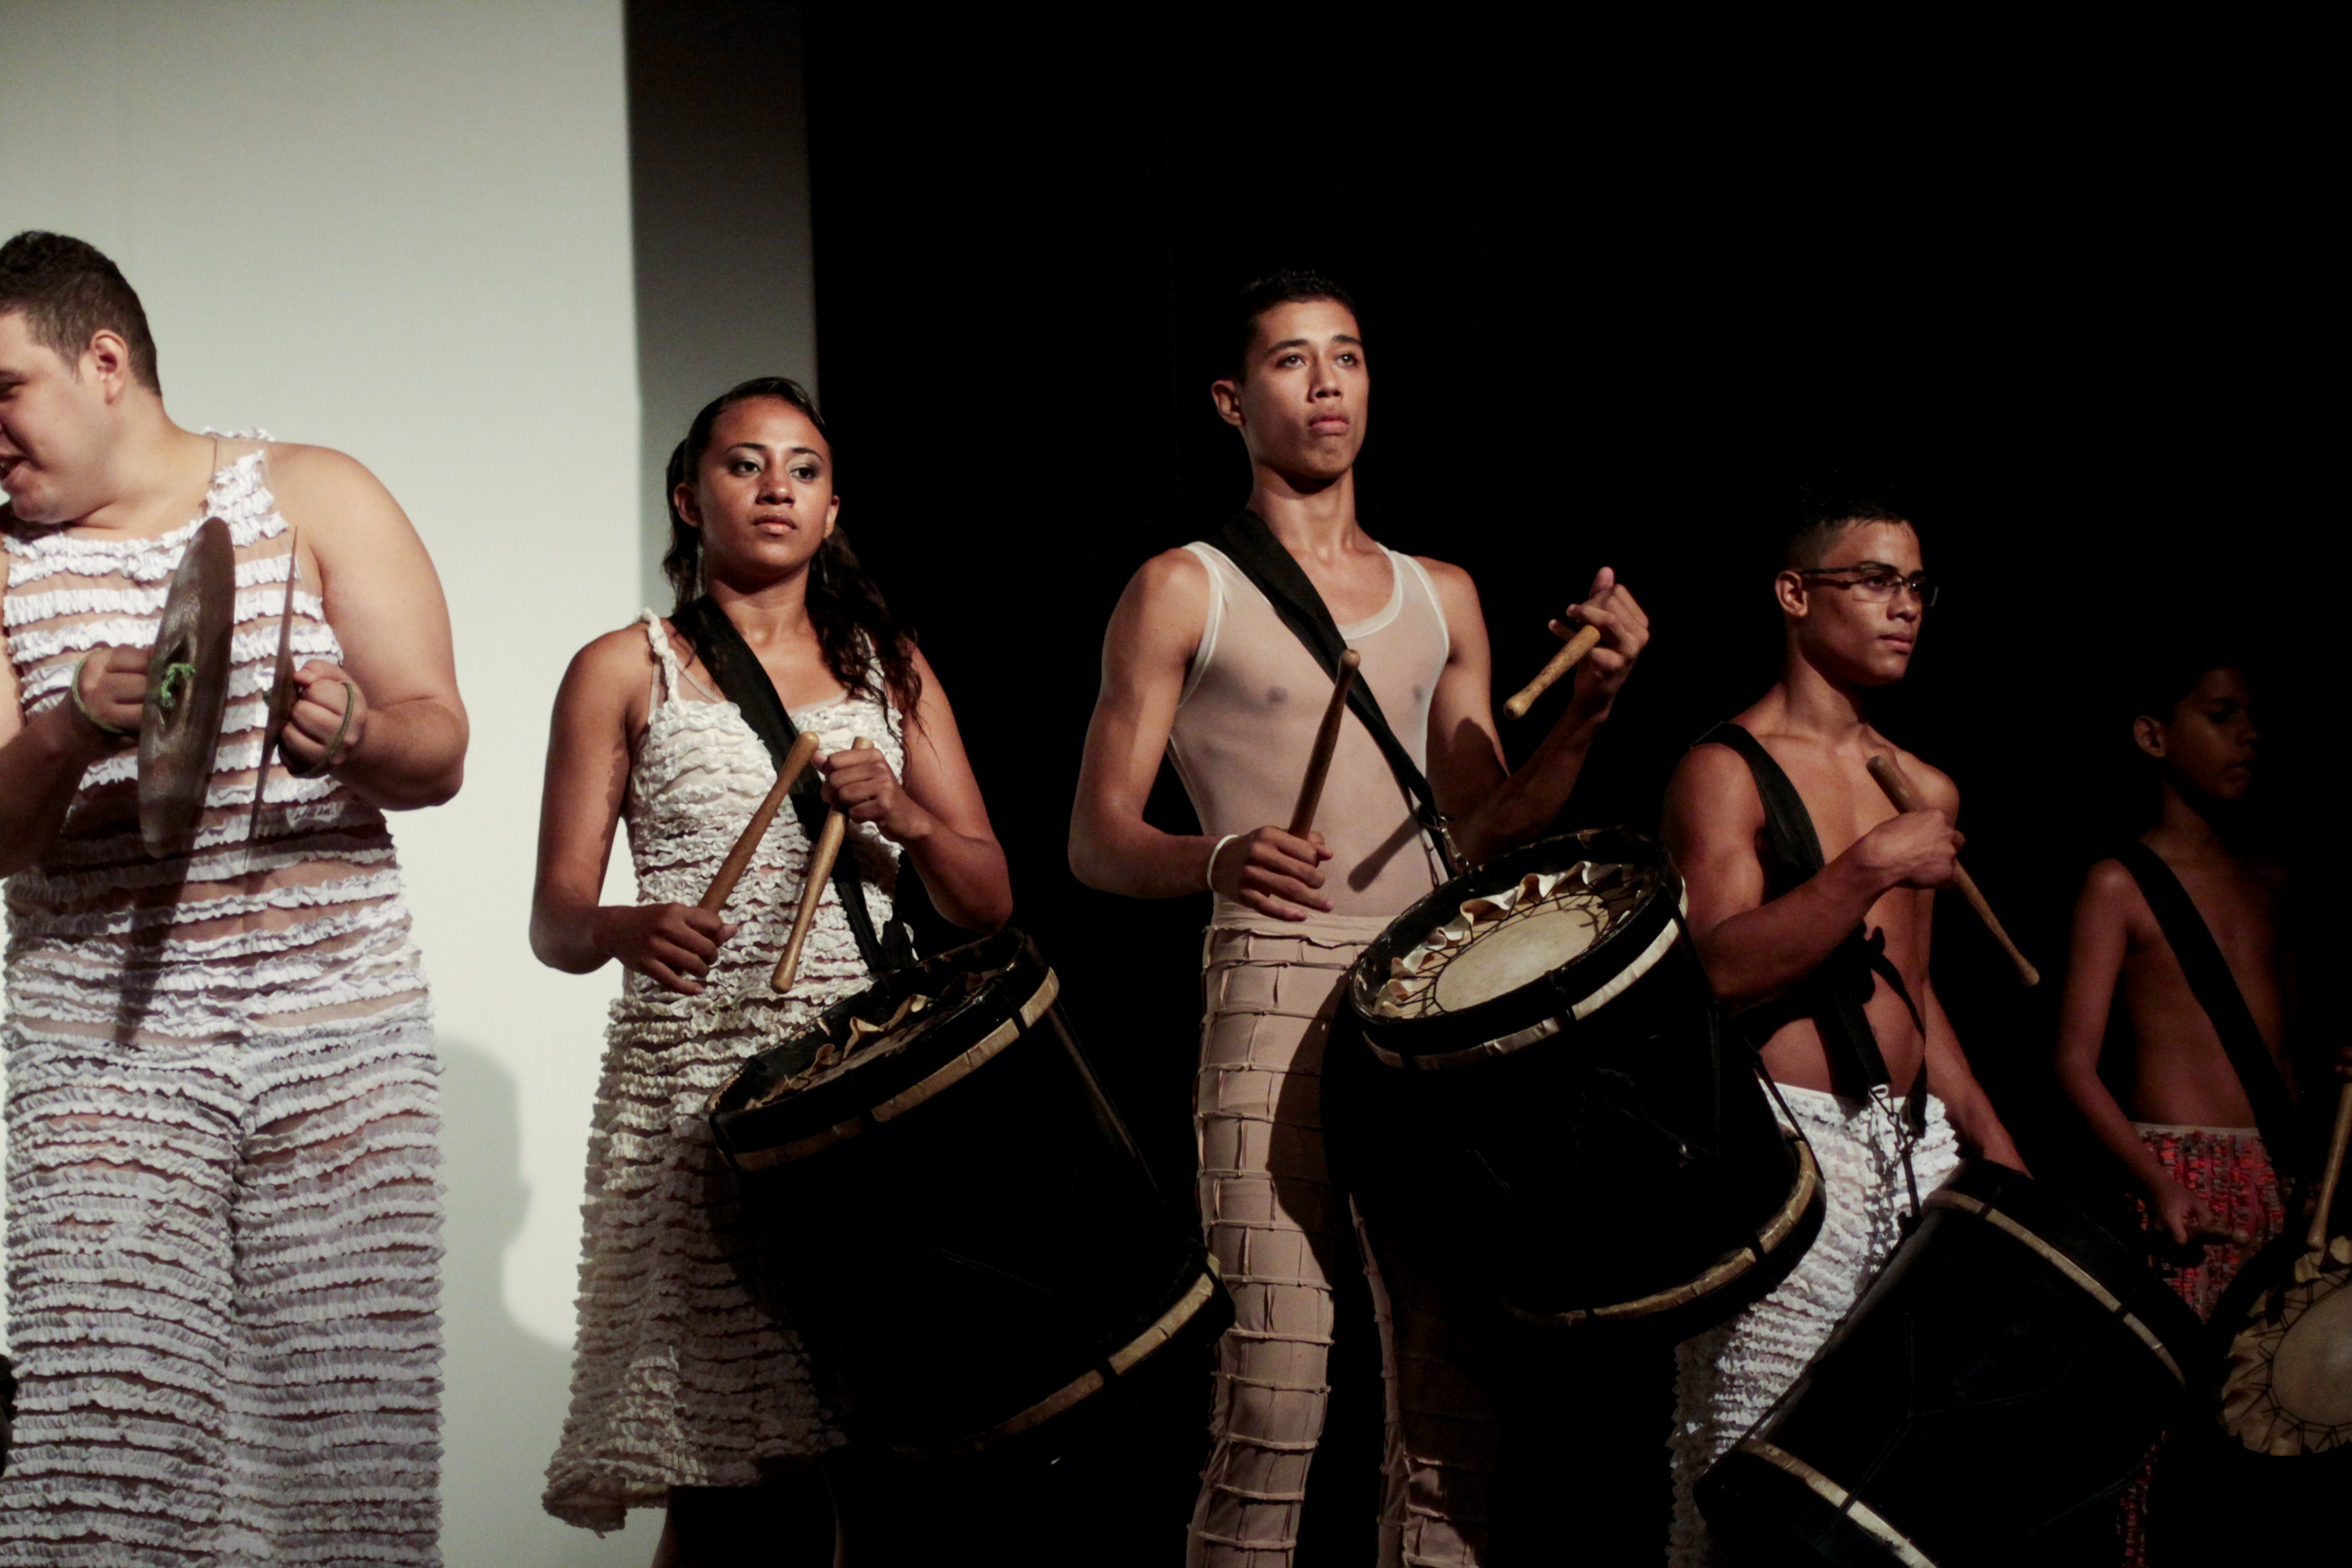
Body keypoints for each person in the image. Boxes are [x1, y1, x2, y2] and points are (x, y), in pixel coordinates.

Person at [1068, 271, 1647, 1567]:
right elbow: (1097, 841)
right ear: (1233, 401)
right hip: (1272, 973)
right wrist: (1219, 857)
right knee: (1274, 1394)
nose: (1328, 383)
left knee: (1455, 1401)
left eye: (1349, 355)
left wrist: (1591, 710)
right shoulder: (1185, 586)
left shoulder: (1444, 592)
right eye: (1292, 360)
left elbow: (1487, 828)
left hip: (1427, 988)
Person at [0, 231, 466, 1563]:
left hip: (343, 1048)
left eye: (2, 390)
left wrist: (356, 733)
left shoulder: (314, 495)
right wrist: (65, 731)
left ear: (104, 362)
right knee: (108, 1447)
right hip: (102, 1055)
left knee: (348, 1444)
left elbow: (439, 744)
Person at [532, 376, 1011, 1564]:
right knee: (724, 1480)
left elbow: (988, 897)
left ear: (834, 507)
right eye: (744, 465)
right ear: (688, 497)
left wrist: (905, 813)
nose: (776, 489)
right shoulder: (623, 667)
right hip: (697, 1094)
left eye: (803, 469)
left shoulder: (891, 669)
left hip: (862, 1086)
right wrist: (627, 928)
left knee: (879, 1461)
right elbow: (555, 920)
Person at [1659, 489, 2023, 1567]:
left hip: (1915, 1148)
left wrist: (1992, 1140)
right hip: (1784, 1149)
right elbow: (1718, 972)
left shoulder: (1924, 782)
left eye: (1916, 586)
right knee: (1750, 1463)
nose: (1904, 606)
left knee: (1904, 1488)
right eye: (1874, 581)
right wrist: (1866, 867)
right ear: (1794, 594)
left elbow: (1916, 987)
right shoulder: (1725, 769)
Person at [2050, 653, 2348, 1562]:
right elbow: (2072, 1064)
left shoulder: (2276, 879)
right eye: (2221, 715)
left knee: (2276, 1439)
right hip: (2178, 1188)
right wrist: (2154, 1181)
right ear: (2154, 736)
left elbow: (2293, 1051)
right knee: (2170, 1442)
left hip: (2284, 1190)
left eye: (2254, 716)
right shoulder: (2118, 882)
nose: (2249, 736)